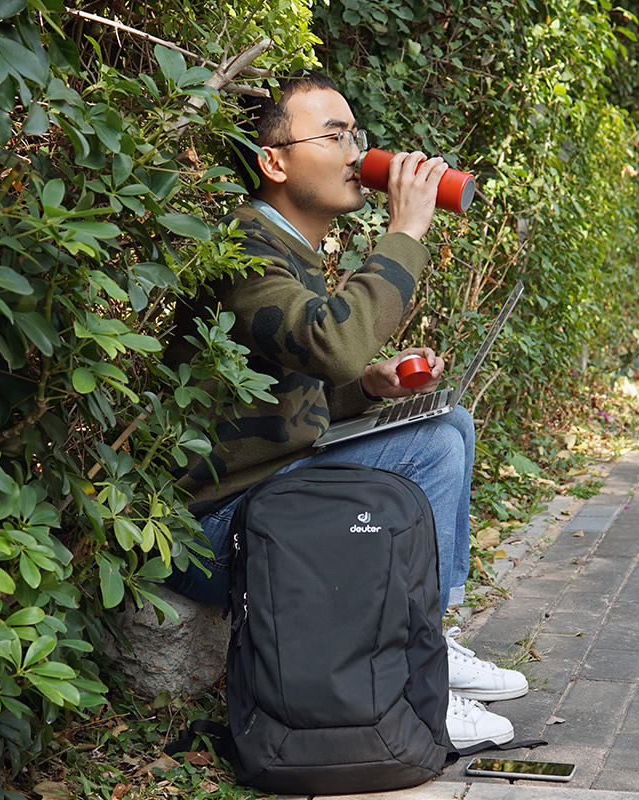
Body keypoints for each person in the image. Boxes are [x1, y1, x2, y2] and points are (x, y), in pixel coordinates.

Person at [163, 72, 526, 747]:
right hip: (209, 534)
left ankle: (429, 647)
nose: (357, 151)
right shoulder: (242, 249)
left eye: (356, 133)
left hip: (264, 498)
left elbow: (291, 389)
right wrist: (407, 230)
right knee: (438, 439)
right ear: (274, 161)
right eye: (334, 135)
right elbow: (333, 343)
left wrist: (369, 390)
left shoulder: (287, 247)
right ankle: (421, 666)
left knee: (443, 422)